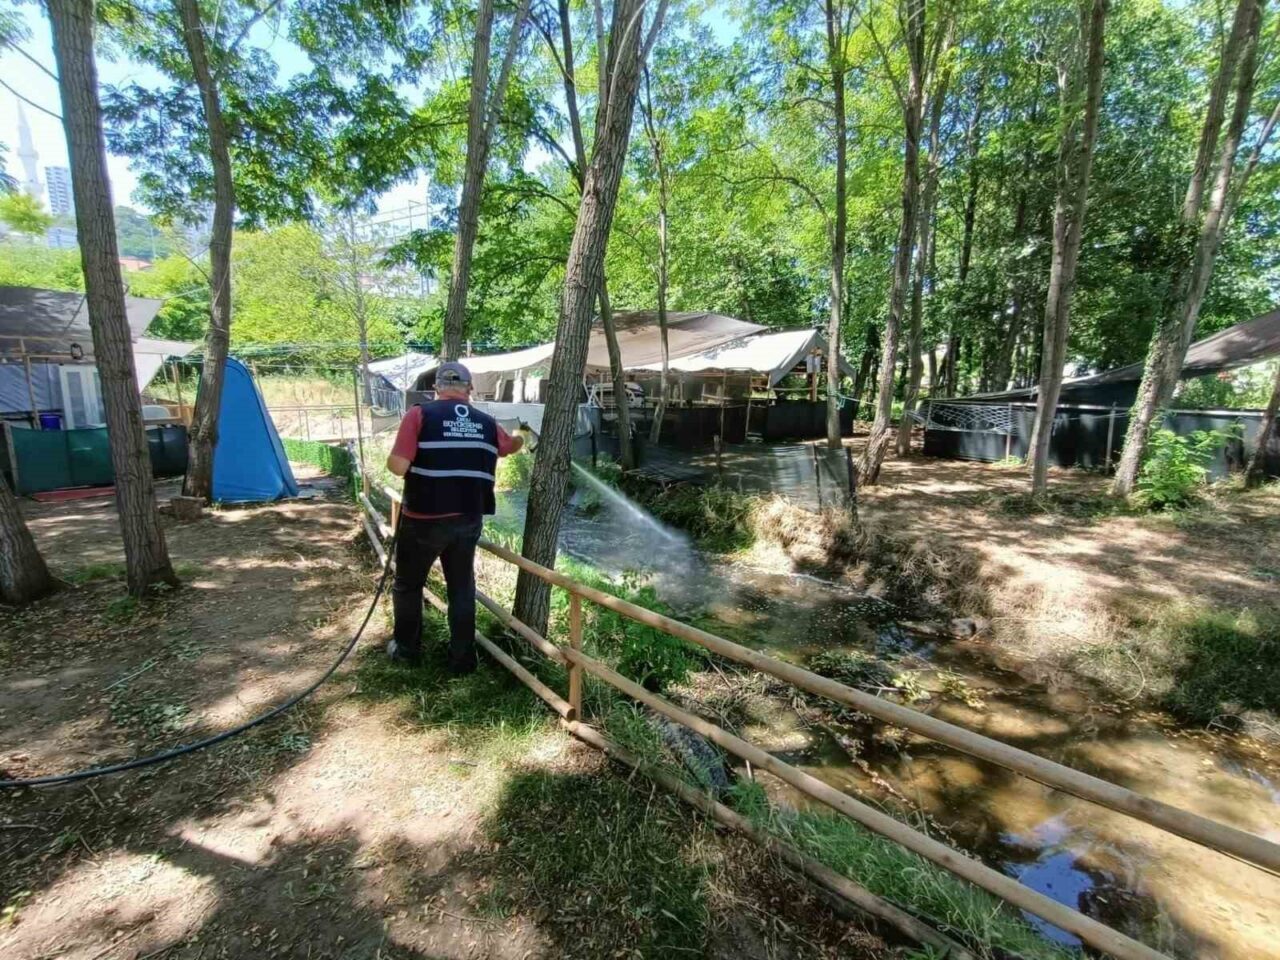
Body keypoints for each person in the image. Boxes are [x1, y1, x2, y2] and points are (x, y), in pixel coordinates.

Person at [385, 361, 523, 673]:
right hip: (467, 517)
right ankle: (462, 661)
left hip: (423, 518)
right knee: (461, 588)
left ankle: (407, 651)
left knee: (408, 585)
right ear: (469, 389)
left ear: (435, 388)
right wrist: (522, 438)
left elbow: (398, 466)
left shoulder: (419, 415)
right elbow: (509, 447)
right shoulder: (486, 422)